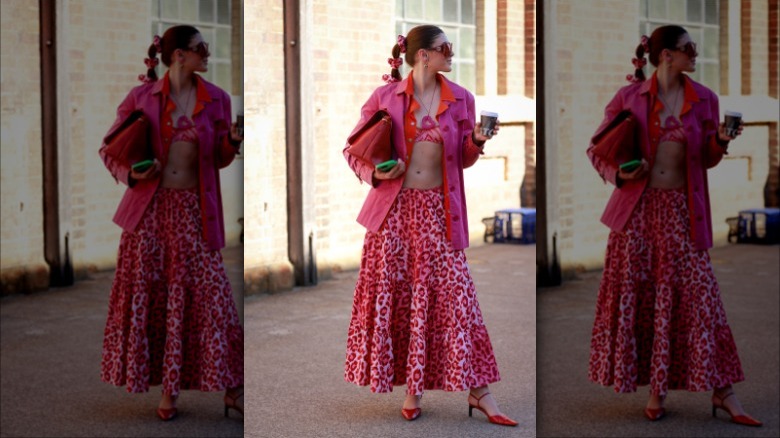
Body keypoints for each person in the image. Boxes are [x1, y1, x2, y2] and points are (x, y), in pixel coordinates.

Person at [342, 25, 517, 427]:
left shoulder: (462, 99)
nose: (451, 55)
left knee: (458, 299)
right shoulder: (385, 97)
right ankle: (412, 389)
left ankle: (481, 391)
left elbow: (465, 158)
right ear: (423, 55)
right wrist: (379, 175)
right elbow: (354, 152)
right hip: (394, 214)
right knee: (403, 299)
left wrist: (476, 139)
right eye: (445, 49)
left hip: (441, 213)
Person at [587, 25, 761, 427]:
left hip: (684, 213)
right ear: (666, 55)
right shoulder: (629, 98)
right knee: (647, 300)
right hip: (638, 215)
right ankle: (656, 390)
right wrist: (622, 175)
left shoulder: (705, 100)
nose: (695, 56)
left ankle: (724, 391)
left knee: (702, 301)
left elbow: (708, 159)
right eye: (689, 49)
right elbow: (597, 151)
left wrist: (719, 140)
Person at [99, 25, 244, 421]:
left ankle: (234, 389)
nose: (207, 55)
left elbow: (217, 158)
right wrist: (133, 175)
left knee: (214, 301)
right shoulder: (141, 98)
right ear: (179, 55)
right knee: (158, 301)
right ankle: (169, 393)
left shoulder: (217, 99)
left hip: (196, 213)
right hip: (149, 214)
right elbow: (110, 148)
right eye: (201, 48)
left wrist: (231, 142)